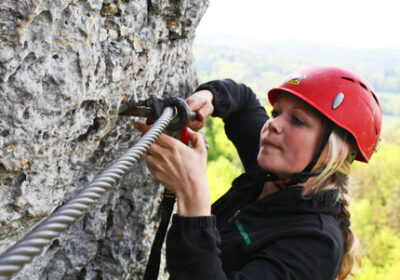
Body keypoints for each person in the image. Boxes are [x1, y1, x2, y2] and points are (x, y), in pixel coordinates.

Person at [134, 65, 382, 279]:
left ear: (334, 150)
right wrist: (208, 97)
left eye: (297, 120)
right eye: (276, 113)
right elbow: (243, 101)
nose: (273, 124)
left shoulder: (315, 246)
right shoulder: (269, 172)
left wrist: (192, 195)